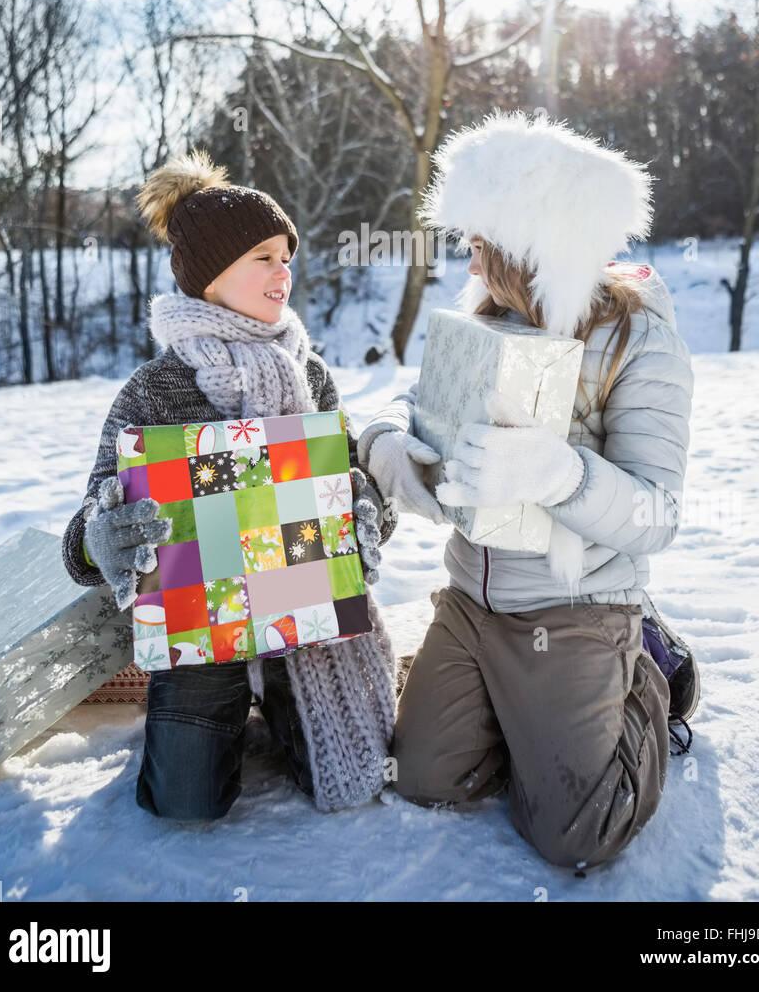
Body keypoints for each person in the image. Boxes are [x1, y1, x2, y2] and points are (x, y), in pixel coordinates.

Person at [357, 108, 698, 871]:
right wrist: (388, 447)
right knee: (424, 780)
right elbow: (409, 404)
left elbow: (656, 512)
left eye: (482, 248)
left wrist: (558, 474)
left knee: (578, 832)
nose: (470, 269)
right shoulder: (485, 314)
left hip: (575, 608)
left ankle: (649, 668)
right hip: (472, 601)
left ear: (535, 245)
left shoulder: (639, 345)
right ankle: (532, 717)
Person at [62, 149, 398, 819]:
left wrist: (366, 506)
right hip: (198, 636)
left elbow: (352, 485)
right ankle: (212, 714)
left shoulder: (311, 373)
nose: (284, 271)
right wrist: (104, 536)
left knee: (352, 780)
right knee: (185, 804)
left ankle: (278, 702)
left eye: (286, 255)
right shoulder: (156, 389)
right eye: (263, 258)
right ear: (212, 276)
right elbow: (81, 542)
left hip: (304, 620)